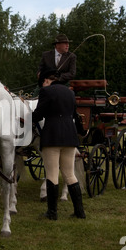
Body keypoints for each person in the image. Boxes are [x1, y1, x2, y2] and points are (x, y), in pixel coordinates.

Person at [32, 75, 86, 220]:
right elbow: (74, 115)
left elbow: (39, 114)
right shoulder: (70, 93)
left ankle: (52, 212)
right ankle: (79, 212)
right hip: (69, 136)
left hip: (52, 136)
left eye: (45, 81)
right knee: (69, 174)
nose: (44, 83)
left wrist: (29, 118)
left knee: (52, 174)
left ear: (49, 81)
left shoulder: (46, 92)